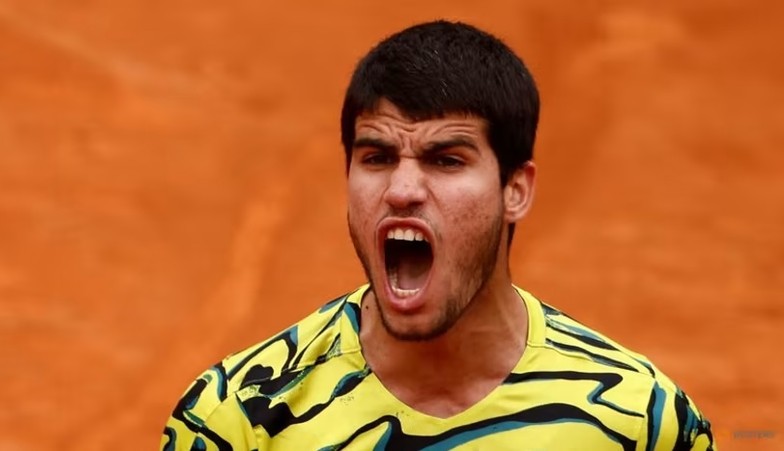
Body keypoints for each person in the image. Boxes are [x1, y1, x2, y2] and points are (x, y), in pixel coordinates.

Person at [160, 20, 715, 450]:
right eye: (376, 157)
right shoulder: (238, 421)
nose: (402, 190)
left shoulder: (639, 423)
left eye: (446, 160)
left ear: (515, 189)